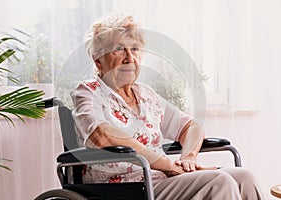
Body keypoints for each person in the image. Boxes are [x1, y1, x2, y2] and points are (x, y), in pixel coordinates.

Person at [70, 13, 263, 200]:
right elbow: (101, 135)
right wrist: (167, 165)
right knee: (220, 182)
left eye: (135, 49)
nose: (130, 57)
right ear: (98, 59)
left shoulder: (146, 95)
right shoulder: (89, 92)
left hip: (160, 179)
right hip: (124, 187)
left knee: (244, 177)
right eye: (119, 49)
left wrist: (188, 159)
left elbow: (191, 127)